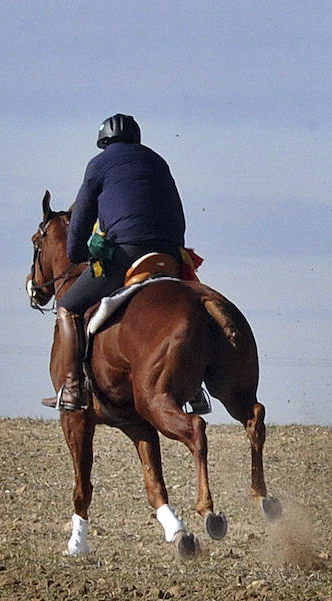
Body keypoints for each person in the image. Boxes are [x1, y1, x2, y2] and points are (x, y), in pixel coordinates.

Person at [43, 113, 208, 413]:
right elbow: (177, 211)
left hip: (126, 253)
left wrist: (76, 252)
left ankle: (72, 388)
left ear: (104, 141)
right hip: (170, 255)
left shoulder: (98, 165)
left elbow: (81, 218)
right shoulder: (158, 162)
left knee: (67, 306)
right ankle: (195, 387)